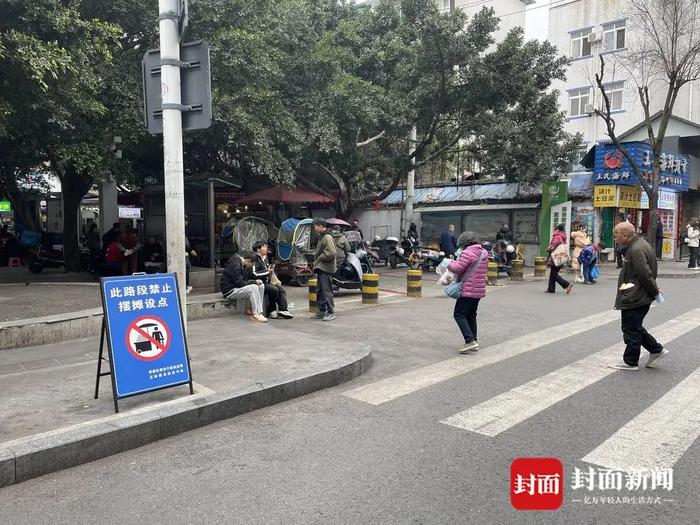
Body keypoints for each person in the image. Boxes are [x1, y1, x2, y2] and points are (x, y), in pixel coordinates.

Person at [609, 222, 668, 371]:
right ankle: (656, 350)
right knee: (634, 326)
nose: (615, 238)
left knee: (631, 329)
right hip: (638, 293)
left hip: (635, 296)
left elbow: (645, 274)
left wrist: (654, 290)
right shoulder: (640, 245)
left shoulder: (636, 250)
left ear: (625, 235)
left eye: (616, 235)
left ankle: (631, 361)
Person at [447, 232, 489, 354]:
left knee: (459, 314)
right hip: (479, 289)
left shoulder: (467, 252)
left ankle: (470, 340)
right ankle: (474, 341)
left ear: (463, 243)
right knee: (471, 315)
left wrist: (446, 262)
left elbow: (457, 268)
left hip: (467, 289)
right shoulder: (483, 252)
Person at [220, 252, 267, 323]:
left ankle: (252, 309)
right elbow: (240, 283)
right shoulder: (236, 264)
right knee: (254, 287)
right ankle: (256, 314)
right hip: (230, 291)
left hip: (236, 287)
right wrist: (254, 282)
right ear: (248, 261)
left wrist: (255, 282)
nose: (251, 266)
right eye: (252, 264)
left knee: (261, 285)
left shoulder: (241, 263)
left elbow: (243, 280)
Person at [251, 241, 293, 319]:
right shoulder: (254, 258)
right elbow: (254, 274)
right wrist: (267, 271)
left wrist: (275, 280)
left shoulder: (265, 258)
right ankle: (271, 310)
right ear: (258, 249)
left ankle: (283, 310)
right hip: (258, 283)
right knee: (274, 289)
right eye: (264, 247)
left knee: (280, 288)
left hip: (266, 281)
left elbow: (269, 271)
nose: (266, 248)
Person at [312, 218, 337, 321]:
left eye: (315, 226)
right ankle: (322, 311)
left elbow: (331, 253)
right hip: (321, 268)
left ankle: (330, 312)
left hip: (326, 268)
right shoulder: (322, 237)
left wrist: (320, 258)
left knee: (326, 290)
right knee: (320, 290)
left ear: (321, 226)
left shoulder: (327, 237)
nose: (314, 228)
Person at [545, 224, 573, 295]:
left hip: (556, 258)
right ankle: (551, 289)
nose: (553, 231)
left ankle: (567, 284)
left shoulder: (557, 237)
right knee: (553, 273)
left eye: (554, 229)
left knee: (554, 274)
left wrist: (548, 249)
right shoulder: (563, 237)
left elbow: (552, 246)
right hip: (561, 257)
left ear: (557, 230)